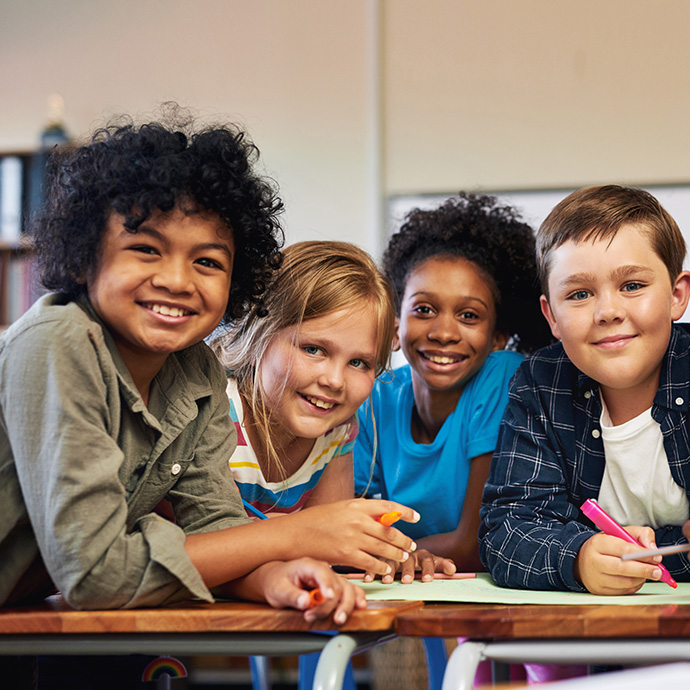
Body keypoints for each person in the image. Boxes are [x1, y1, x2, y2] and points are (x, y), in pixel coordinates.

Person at [0, 109, 415, 623]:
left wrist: (272, 577)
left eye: (207, 262)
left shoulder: (196, 371)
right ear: (86, 258)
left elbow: (214, 529)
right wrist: (297, 532)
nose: (177, 279)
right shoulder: (58, 343)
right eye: (146, 249)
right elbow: (95, 574)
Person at [479, 184, 690, 595]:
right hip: (593, 625)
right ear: (551, 316)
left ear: (676, 295)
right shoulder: (540, 382)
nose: (608, 312)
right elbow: (505, 530)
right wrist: (577, 558)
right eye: (579, 294)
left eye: (632, 285)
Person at [354, 192, 552, 582]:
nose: (444, 332)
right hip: (416, 583)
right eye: (424, 309)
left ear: (498, 336)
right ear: (396, 325)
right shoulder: (376, 397)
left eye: (468, 315)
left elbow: (475, 542)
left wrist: (387, 554)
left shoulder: (502, 377)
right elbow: (347, 531)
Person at [214, 240, 399, 521]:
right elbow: (205, 544)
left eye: (358, 362)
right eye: (313, 350)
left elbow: (328, 543)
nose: (335, 381)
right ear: (256, 341)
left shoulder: (336, 429)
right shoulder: (216, 415)